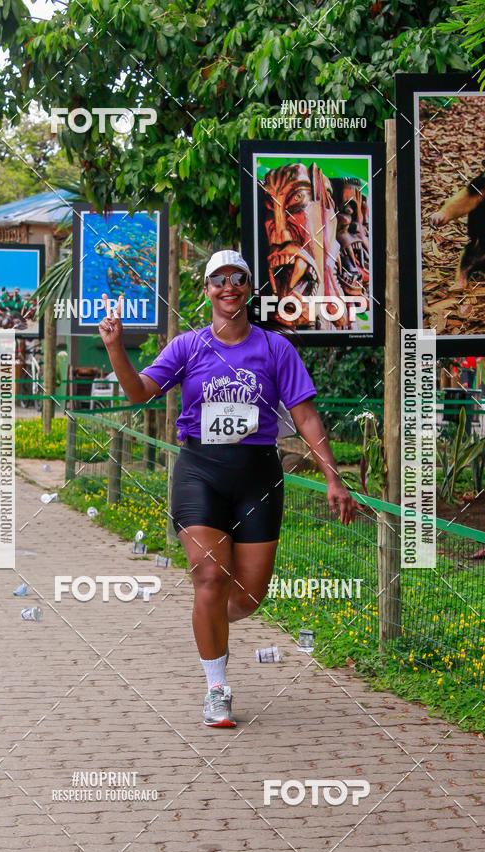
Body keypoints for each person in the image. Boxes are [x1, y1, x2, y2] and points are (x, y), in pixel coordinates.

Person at [99, 250, 358, 728]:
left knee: (249, 596)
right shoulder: (187, 346)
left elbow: (304, 415)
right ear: (207, 291)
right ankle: (216, 688)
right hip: (200, 470)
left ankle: (210, 619)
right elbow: (140, 393)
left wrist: (332, 476)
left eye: (238, 278)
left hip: (258, 474)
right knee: (210, 578)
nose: (228, 287)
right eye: (218, 280)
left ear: (247, 287)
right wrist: (117, 348)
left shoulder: (276, 348)